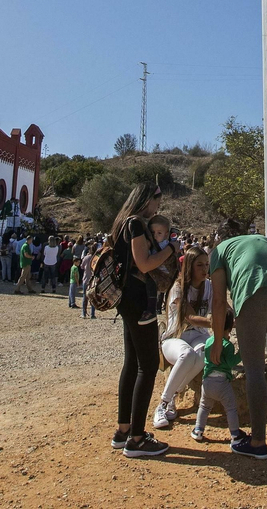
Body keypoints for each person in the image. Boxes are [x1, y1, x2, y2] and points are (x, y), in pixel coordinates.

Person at [208, 230, 267, 460]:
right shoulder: (260, 238)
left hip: (252, 290)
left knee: (254, 367)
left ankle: (257, 441)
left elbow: (218, 301)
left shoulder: (218, 251)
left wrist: (218, 341)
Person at [108, 183, 176, 458]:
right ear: (148, 199)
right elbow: (144, 263)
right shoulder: (136, 223)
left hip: (128, 300)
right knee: (148, 366)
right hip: (138, 301)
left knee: (132, 363)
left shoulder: (124, 222)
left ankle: (124, 430)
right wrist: (170, 250)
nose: (159, 206)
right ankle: (137, 438)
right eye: (157, 201)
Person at [153, 244, 212, 429]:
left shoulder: (209, 286)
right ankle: (162, 404)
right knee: (187, 354)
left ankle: (173, 396)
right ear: (189, 267)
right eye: (199, 265)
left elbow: (224, 307)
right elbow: (190, 317)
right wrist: (218, 323)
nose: (204, 270)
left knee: (204, 352)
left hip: (199, 335)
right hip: (174, 337)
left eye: (206, 265)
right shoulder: (177, 288)